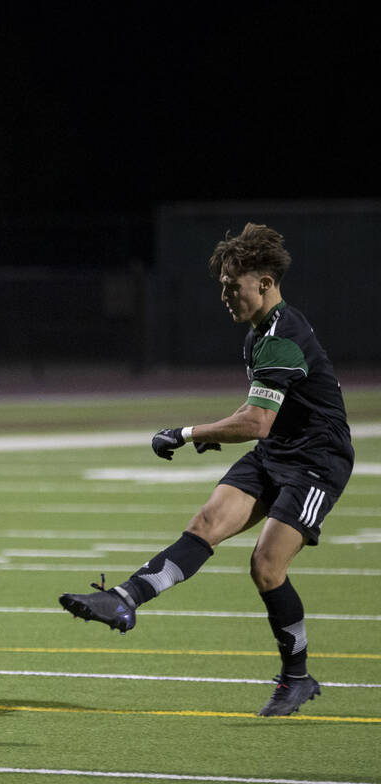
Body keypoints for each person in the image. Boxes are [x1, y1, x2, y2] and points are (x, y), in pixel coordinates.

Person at [58, 223, 354, 717]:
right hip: (279, 450)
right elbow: (262, 415)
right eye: (220, 285)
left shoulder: (282, 335)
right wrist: (217, 433)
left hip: (317, 461)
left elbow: (257, 421)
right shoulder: (261, 334)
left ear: (263, 281)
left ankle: (297, 678)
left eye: (231, 285)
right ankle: (123, 600)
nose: (224, 295)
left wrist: (188, 432)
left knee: (265, 566)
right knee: (205, 525)